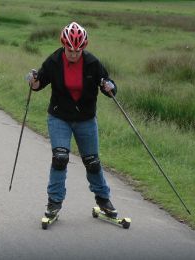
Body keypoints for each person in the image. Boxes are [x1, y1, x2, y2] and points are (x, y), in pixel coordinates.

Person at [28, 22, 120, 220]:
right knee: (60, 158)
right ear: (64, 45)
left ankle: (103, 200)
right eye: (70, 49)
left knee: (92, 162)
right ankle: (54, 203)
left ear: (83, 47)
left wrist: (109, 86)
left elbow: (109, 85)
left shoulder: (92, 63)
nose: (74, 54)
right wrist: (33, 80)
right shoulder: (53, 61)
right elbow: (38, 84)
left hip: (85, 119)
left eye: (78, 50)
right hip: (59, 117)